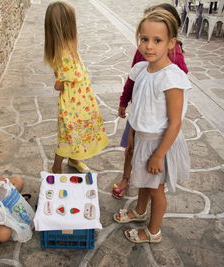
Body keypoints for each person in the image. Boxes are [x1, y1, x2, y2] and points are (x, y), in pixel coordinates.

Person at [113, 10, 191, 243]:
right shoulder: (142, 70)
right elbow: (141, 108)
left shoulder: (171, 78)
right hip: (143, 140)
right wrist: (134, 135)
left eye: (157, 40)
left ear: (171, 43)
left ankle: (153, 231)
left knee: (156, 190)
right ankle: (139, 210)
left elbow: (175, 122)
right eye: (144, 39)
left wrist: (158, 155)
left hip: (159, 144)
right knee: (144, 182)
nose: (149, 46)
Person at [44, 1, 109, 174]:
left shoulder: (65, 47)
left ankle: (73, 159)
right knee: (66, 135)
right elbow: (60, 82)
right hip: (73, 105)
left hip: (80, 101)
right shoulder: (64, 52)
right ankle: (56, 167)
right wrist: (60, 82)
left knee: (74, 134)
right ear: (67, 26)